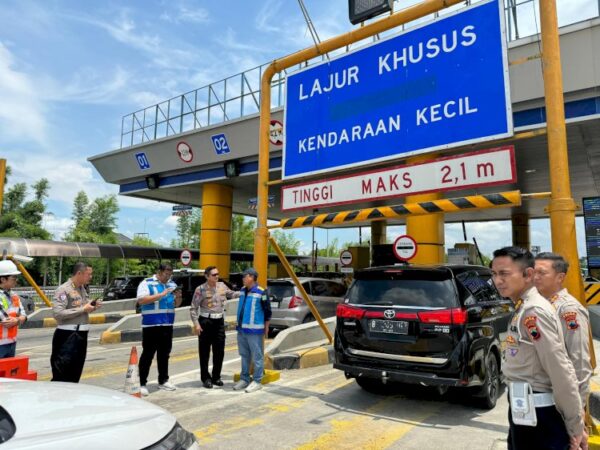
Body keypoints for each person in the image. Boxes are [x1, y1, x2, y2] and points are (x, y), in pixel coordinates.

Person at [491, 246, 586, 450]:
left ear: (528, 275)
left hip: (540, 415)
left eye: (504, 274)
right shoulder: (523, 307)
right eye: (494, 274)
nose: (497, 281)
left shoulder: (534, 311)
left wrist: (575, 424)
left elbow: (560, 369)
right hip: (525, 410)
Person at [534, 252, 592, 408]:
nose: (535, 277)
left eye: (542, 273)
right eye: (533, 272)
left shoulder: (568, 310)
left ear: (560, 277)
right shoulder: (539, 305)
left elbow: (579, 361)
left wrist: (576, 409)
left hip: (557, 401)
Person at [190, 265, 240, 388]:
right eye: (214, 275)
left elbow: (231, 294)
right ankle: (205, 378)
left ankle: (216, 377)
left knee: (219, 351)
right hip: (205, 322)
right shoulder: (200, 289)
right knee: (204, 352)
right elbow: (193, 308)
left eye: (218, 274)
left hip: (219, 322)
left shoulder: (222, 286)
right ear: (207, 276)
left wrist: (245, 291)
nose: (217, 276)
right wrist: (196, 324)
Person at [137, 263, 181, 396]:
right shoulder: (147, 283)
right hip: (152, 325)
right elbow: (141, 300)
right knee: (148, 354)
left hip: (167, 324)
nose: (168, 277)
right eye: (166, 274)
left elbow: (175, 305)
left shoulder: (171, 284)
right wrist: (161, 294)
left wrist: (178, 297)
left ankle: (163, 380)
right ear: (159, 272)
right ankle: (141, 383)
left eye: (170, 274)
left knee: (164, 354)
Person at [51, 262, 99, 382]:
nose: (90, 277)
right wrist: (83, 309)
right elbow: (58, 314)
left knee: (75, 372)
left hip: (81, 336)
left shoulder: (82, 289)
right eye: (88, 274)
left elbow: (82, 310)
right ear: (79, 273)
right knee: (62, 374)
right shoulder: (63, 289)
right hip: (67, 337)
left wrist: (92, 307)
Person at [233, 268, 271, 393]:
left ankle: (257, 381)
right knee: (244, 355)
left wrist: (267, 327)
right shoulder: (243, 291)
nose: (243, 278)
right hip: (242, 329)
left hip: (255, 331)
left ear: (252, 277)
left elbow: (267, 311)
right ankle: (244, 378)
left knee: (257, 356)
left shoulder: (262, 292)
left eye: (245, 276)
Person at [0, 260, 28, 358]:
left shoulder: (14, 296)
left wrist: (17, 320)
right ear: (3, 279)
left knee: (8, 373)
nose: (16, 280)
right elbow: (4, 320)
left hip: (11, 342)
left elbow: (24, 315)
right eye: (14, 278)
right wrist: (18, 319)